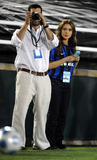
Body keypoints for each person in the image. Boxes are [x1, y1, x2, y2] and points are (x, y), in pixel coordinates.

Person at [11, 4, 59, 150]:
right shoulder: (21, 31)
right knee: (20, 110)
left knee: (42, 111)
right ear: (28, 15)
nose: (36, 17)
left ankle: (40, 143)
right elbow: (15, 41)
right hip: (26, 74)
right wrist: (26, 23)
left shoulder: (46, 32)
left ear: (42, 15)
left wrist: (46, 24)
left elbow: (54, 43)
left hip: (44, 77)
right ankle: (17, 142)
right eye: (33, 14)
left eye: (38, 14)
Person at [46, 18, 80, 149]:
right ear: (60, 31)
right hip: (54, 83)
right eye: (65, 29)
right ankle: (50, 142)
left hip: (66, 84)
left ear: (72, 32)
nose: (67, 32)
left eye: (70, 30)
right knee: (53, 114)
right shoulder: (54, 46)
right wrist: (66, 59)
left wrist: (75, 61)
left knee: (63, 114)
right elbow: (48, 66)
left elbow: (70, 69)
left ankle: (58, 141)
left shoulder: (72, 48)